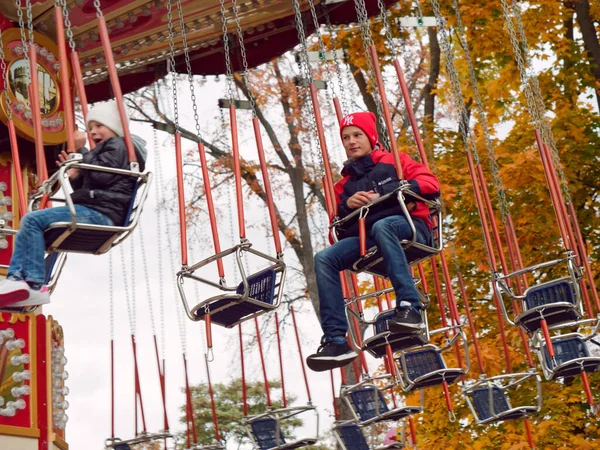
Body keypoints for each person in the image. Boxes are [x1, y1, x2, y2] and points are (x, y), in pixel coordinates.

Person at [306, 112, 440, 371]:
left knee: (383, 224)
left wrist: (389, 192)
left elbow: (431, 184)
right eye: (346, 138)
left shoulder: (395, 163)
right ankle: (336, 340)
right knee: (325, 258)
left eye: (357, 135)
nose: (352, 142)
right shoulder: (343, 186)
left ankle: (409, 306)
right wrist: (347, 205)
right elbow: (338, 229)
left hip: (410, 228)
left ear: (371, 136)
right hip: (369, 239)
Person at [0, 100, 147, 309]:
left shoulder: (119, 145)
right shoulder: (107, 150)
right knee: (33, 225)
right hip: (96, 207)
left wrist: (81, 153)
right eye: (90, 128)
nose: (94, 132)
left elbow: (101, 176)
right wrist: (76, 173)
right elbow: (89, 186)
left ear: (114, 126)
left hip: (102, 212)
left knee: (32, 220)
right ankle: (22, 283)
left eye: (99, 126)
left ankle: (29, 282)